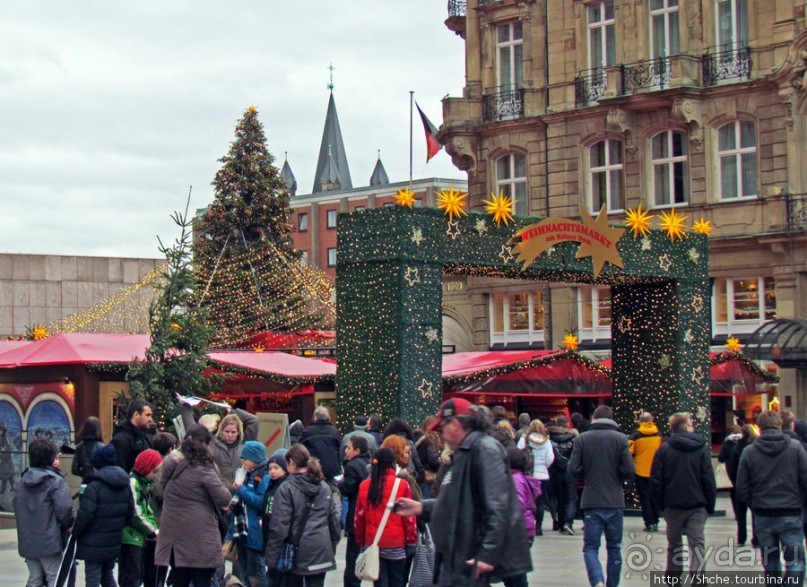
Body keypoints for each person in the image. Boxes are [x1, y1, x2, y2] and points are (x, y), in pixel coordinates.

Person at [394, 398, 532, 586]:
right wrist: (421, 507)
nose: (441, 435)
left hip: (470, 553)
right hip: (461, 554)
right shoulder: (465, 452)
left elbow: (498, 506)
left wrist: (487, 554)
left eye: (442, 428)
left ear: (456, 424)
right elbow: (458, 500)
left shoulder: (483, 450)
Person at [156, 425, 232, 587]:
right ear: (204, 444)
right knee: (201, 580)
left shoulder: (171, 465)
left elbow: (159, 488)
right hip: (199, 538)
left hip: (174, 536)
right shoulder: (202, 467)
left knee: (179, 578)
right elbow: (224, 498)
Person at [736, 410, 807, 584]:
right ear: (780, 425)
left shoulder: (749, 451)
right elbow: (805, 479)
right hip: (790, 511)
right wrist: (800, 501)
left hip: (763, 513)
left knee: (770, 560)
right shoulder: (795, 448)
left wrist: (754, 503)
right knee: (795, 559)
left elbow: (742, 486)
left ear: (759, 427)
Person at [568, 405, 635, 587]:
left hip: (591, 499)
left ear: (593, 419)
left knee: (590, 547)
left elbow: (573, 468)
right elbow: (629, 469)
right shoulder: (621, 439)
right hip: (614, 500)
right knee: (614, 547)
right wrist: (617, 475)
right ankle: (612, 584)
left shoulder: (582, 439)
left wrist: (587, 474)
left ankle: (597, 580)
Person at [264, 444, 342, 587]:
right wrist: (334, 541)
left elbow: (279, 527)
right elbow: (333, 518)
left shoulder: (287, 488)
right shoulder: (324, 486)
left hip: (297, 551)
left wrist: (272, 559)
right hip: (320, 549)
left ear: (291, 462)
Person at [650, 412, 716, 575]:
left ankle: (673, 576)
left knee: (674, 544)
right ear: (686, 427)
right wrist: (709, 504)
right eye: (691, 424)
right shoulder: (700, 449)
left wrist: (661, 504)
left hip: (672, 505)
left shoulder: (664, 449)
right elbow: (708, 479)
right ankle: (698, 577)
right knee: (697, 544)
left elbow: (656, 480)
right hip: (697, 504)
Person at [13, 437, 74, 587]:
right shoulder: (55, 481)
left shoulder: (21, 481)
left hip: (28, 542)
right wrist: (68, 524)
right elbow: (65, 510)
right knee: (55, 578)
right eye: (56, 456)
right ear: (50, 459)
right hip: (50, 542)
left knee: (34, 578)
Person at [73, 444, 136, 587]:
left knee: (93, 578)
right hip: (113, 541)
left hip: (93, 543)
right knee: (107, 574)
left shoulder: (94, 487)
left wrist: (75, 533)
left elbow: (85, 516)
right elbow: (129, 513)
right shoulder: (124, 485)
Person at [354, 448, 417, 587]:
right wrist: (411, 540)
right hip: (397, 544)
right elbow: (409, 517)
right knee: (397, 580)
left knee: (380, 582)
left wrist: (361, 540)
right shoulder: (401, 484)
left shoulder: (365, 486)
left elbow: (359, 518)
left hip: (374, 543)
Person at [120, 449, 163, 587]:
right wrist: (152, 530)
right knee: (132, 576)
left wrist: (154, 527)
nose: (156, 476)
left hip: (139, 536)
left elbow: (147, 508)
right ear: (145, 468)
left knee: (140, 574)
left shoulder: (145, 483)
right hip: (131, 536)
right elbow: (136, 512)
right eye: (154, 472)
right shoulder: (133, 482)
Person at [231, 441, 271, 587]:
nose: (242, 462)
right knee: (245, 571)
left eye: (245, 459)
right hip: (244, 532)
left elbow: (261, 502)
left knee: (255, 572)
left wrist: (241, 490)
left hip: (254, 532)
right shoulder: (249, 474)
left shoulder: (263, 477)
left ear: (254, 459)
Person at [505, 446, 541, 587]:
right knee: (512, 570)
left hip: (519, 529)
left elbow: (518, 504)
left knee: (516, 571)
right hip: (523, 528)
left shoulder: (515, 479)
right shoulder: (517, 477)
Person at [341, 436, 371, 587]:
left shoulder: (352, 466)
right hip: (366, 514)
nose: (346, 451)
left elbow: (349, 488)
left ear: (357, 451)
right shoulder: (367, 464)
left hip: (355, 514)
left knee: (352, 556)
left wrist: (340, 484)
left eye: (349, 448)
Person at [517, 419, 554, 536]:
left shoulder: (525, 439)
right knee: (541, 502)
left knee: (528, 500)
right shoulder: (546, 441)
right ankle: (539, 526)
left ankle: (529, 524)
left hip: (528, 475)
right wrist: (544, 467)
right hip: (543, 475)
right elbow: (550, 458)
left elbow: (519, 454)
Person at [628, 412, 662, 532]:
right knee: (654, 497)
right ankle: (656, 521)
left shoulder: (635, 436)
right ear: (652, 420)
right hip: (656, 471)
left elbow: (629, 452)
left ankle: (649, 522)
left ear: (640, 421)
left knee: (644, 498)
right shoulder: (658, 434)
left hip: (640, 471)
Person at [727, 423, 759, 545]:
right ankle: (756, 538)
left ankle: (741, 537)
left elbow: (731, 467)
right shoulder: (754, 447)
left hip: (738, 485)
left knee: (741, 515)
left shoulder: (737, 448)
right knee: (754, 514)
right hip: (753, 485)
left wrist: (734, 480)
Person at [546, 415, 578, 535]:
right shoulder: (573, 438)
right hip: (569, 471)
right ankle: (568, 522)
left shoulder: (550, 438)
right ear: (567, 424)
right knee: (571, 497)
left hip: (554, 471)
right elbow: (576, 455)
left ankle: (558, 522)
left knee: (557, 497)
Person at [263, 450, 289, 587]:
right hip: (269, 537)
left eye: (276, 468)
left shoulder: (284, 487)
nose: (272, 471)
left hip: (279, 540)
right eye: (270, 469)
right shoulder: (271, 486)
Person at [300, 406, 343, 486]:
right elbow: (340, 450)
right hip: (332, 471)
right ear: (328, 417)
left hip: (313, 470)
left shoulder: (308, 431)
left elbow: (299, 450)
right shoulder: (334, 431)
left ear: (315, 417)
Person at [110, 399, 154, 473]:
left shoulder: (145, 437)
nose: (150, 419)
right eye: (147, 415)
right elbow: (119, 470)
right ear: (136, 414)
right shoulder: (120, 440)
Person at [414, 415, 442, 499]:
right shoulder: (429, 440)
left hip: (422, 477)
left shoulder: (420, 440)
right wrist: (443, 467)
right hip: (430, 476)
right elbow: (433, 459)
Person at [72, 416, 106, 485]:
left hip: (85, 482)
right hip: (99, 482)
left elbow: (74, 470)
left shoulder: (79, 447)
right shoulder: (102, 447)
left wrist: (85, 473)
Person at [0, 423, 16, 493]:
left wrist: (3, 454)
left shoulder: (5, 439)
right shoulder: (1, 439)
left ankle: (12, 487)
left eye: (1, 430)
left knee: (8, 475)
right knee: (4, 475)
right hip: (3, 460)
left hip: (7, 460)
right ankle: (4, 488)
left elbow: (9, 449)